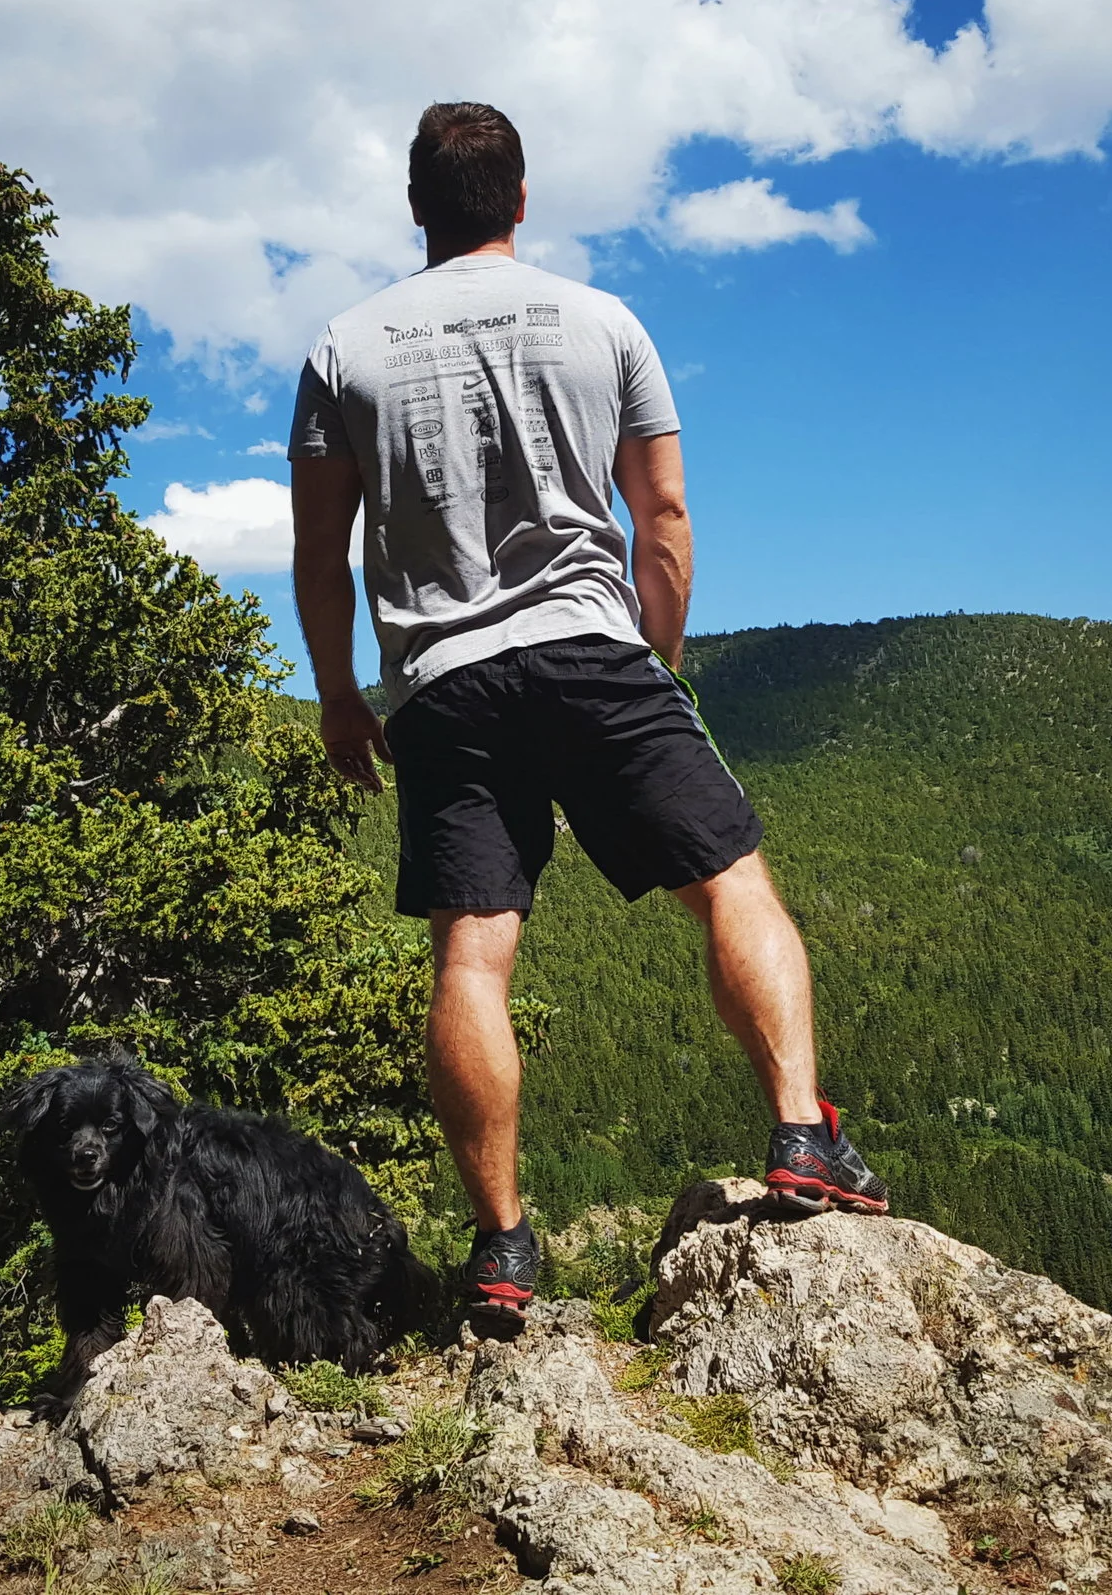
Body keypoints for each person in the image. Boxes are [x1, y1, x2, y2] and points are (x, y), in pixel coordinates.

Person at [288, 101, 888, 1332]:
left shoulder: (343, 348)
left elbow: (318, 551)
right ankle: (799, 1134)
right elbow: (660, 515)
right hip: (592, 650)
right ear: (519, 199)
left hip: (442, 682)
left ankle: (503, 1248)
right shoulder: (602, 321)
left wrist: (341, 696)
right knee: (730, 884)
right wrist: (656, 658)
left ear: (416, 205)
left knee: (471, 955)